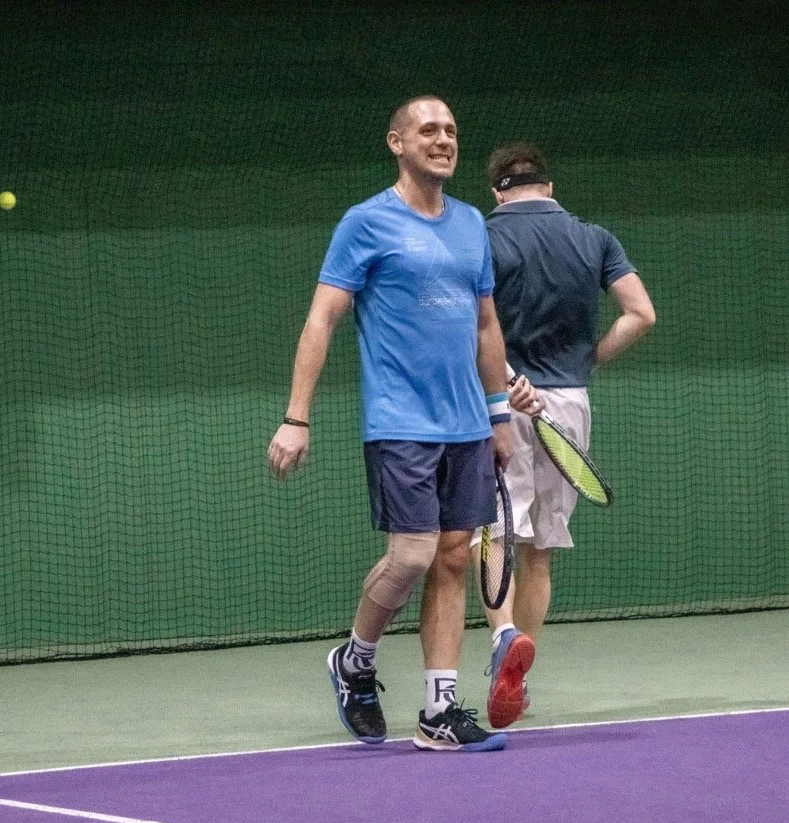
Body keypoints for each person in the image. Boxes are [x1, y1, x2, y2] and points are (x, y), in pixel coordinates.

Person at [267, 96, 526, 752]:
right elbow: (323, 316)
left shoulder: (471, 224)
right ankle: (355, 659)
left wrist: (498, 413)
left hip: (468, 424)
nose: (444, 140)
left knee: (452, 558)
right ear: (397, 142)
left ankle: (439, 711)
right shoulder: (366, 223)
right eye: (429, 130)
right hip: (400, 420)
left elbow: (486, 324)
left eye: (451, 130)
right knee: (412, 554)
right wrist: (297, 416)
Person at [479, 142, 656, 729]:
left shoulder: (481, 236)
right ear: (549, 187)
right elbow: (641, 314)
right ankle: (518, 678)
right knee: (541, 552)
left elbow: (471, 323)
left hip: (501, 399)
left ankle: (504, 638)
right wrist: (587, 362)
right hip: (570, 404)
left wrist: (507, 383)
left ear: (498, 190)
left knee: (494, 533)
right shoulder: (595, 238)